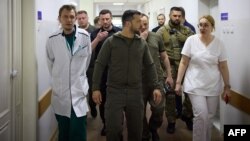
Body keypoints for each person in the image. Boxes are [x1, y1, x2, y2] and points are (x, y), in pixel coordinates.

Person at [92, 10, 162, 141]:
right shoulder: (111, 42)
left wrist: (156, 86)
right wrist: (95, 88)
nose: (142, 25)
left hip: (135, 92)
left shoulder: (141, 44)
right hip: (114, 92)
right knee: (113, 130)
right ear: (128, 23)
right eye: (138, 22)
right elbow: (99, 64)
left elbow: (150, 66)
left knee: (136, 131)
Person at [175, 15, 231, 141]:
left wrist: (227, 86)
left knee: (209, 117)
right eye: (200, 25)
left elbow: (223, 66)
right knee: (201, 116)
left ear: (212, 27)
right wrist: (178, 82)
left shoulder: (219, 43)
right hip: (194, 84)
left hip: (213, 85)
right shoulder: (191, 40)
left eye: (206, 25)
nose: (202, 27)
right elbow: (183, 62)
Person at [46, 4, 91, 141]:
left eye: (72, 17)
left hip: (79, 93)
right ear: (59, 18)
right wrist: (60, 80)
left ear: (76, 18)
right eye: (65, 16)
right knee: (64, 132)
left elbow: (87, 61)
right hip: (61, 94)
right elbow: (50, 64)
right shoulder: (52, 39)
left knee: (78, 132)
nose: (69, 20)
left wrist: (79, 77)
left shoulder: (84, 36)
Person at [156, 6, 193, 133]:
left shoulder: (188, 31)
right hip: (169, 68)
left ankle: (187, 116)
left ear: (182, 16)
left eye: (179, 16)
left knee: (189, 94)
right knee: (170, 96)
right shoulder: (161, 31)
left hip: (186, 67)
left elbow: (195, 47)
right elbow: (156, 51)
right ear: (170, 15)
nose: (177, 18)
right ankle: (171, 121)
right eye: (174, 15)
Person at [139, 14, 173, 141]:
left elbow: (164, 57)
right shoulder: (131, 38)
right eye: (140, 24)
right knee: (139, 112)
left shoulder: (156, 37)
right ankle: (145, 133)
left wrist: (169, 75)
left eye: (145, 24)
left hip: (156, 80)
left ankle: (153, 128)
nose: (142, 27)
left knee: (159, 109)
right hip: (138, 82)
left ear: (148, 23)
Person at [90, 9, 121, 136]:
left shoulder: (119, 32)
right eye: (103, 19)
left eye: (107, 19)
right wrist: (97, 39)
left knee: (118, 102)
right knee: (103, 101)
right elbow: (89, 50)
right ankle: (106, 124)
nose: (105, 21)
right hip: (102, 73)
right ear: (99, 19)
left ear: (111, 18)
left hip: (117, 71)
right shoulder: (95, 33)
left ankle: (119, 126)